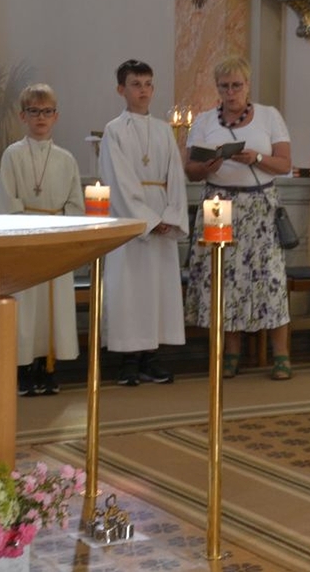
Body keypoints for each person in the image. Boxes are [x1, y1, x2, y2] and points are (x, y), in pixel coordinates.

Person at [184, 56, 294, 380]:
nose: (230, 93)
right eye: (224, 87)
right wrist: (207, 166)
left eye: (236, 85)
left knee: (270, 278)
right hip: (218, 205)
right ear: (217, 88)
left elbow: (285, 164)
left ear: (247, 85)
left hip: (259, 206)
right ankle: (230, 354)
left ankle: (281, 355)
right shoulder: (205, 121)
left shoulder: (269, 116)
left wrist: (256, 158)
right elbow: (190, 170)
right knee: (223, 279)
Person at [99, 59, 189, 386]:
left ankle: (151, 358)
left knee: (157, 291)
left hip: (162, 215)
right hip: (130, 225)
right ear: (121, 89)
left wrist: (170, 217)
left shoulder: (164, 130)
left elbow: (175, 178)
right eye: (136, 84)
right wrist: (149, 221)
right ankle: (127, 361)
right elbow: (118, 181)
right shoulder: (114, 130)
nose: (144, 91)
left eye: (148, 84)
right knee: (129, 290)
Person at [0, 83, 84, 397]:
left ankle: (47, 368)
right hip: (25, 243)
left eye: (47, 112)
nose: (41, 118)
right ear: (23, 116)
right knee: (25, 307)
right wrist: (30, 231)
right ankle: (22, 369)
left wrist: (60, 230)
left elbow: (75, 203)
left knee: (53, 308)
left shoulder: (66, 159)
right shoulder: (12, 155)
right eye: (34, 111)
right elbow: (8, 200)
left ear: (56, 116)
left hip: (56, 243)